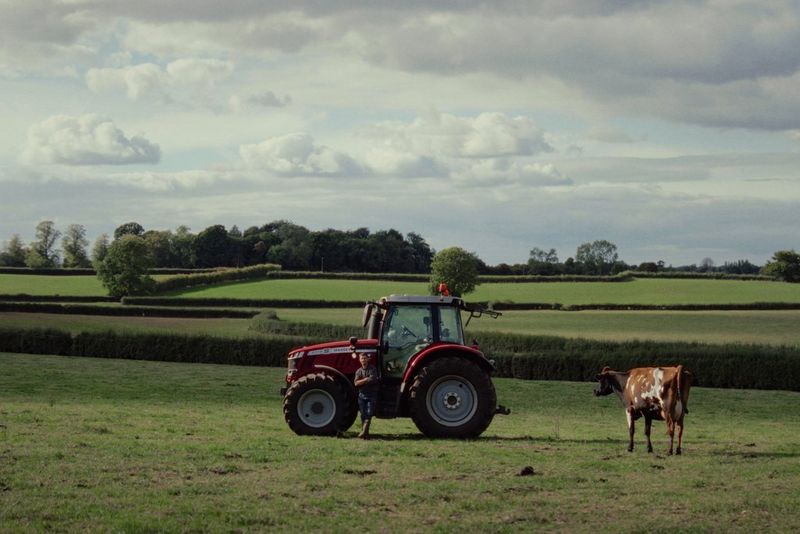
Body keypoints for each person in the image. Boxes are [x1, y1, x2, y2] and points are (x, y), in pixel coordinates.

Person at [353, 352, 379, 439]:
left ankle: (363, 432)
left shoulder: (372, 369)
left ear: (368, 359)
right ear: (359, 360)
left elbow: (372, 379)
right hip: (362, 395)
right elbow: (356, 383)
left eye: (365, 358)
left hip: (371, 395)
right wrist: (365, 379)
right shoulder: (359, 371)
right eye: (362, 358)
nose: (363, 360)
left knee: (369, 413)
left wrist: (362, 382)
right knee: (363, 415)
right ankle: (365, 434)